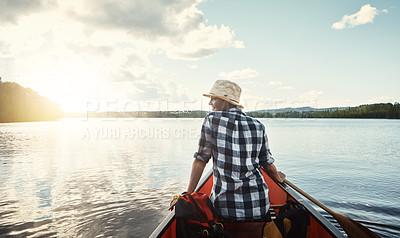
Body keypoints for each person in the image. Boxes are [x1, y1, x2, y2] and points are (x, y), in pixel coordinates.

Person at [170, 80, 285, 222]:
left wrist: (187, 194)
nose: (210, 103)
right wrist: (278, 178)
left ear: (225, 101)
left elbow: (201, 159)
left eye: (213, 98)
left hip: (225, 209)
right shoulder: (258, 125)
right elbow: (266, 164)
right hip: (259, 206)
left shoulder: (211, 120)